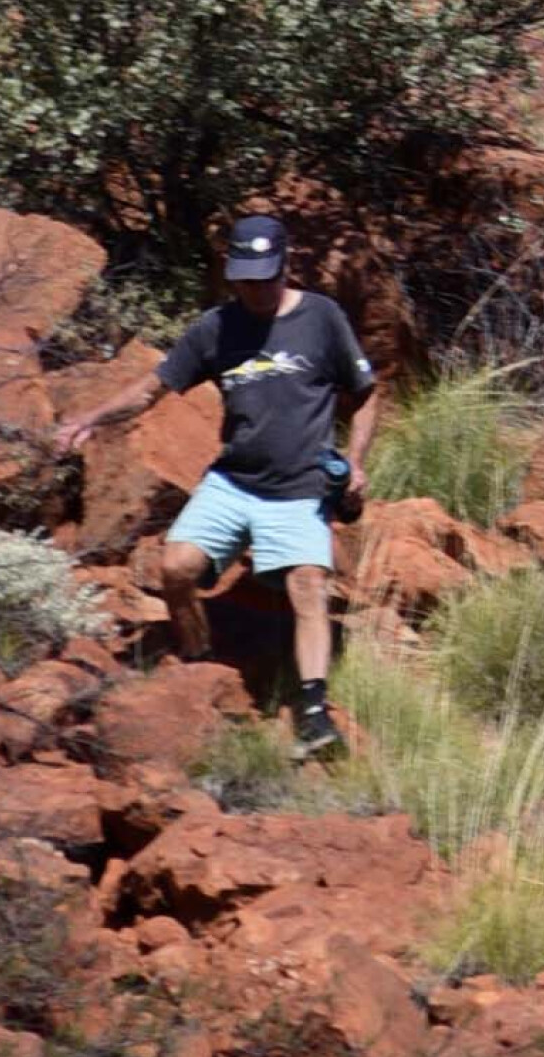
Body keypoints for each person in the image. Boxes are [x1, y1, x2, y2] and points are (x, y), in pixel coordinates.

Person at [149, 205, 377, 756]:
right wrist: (86, 421)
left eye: (266, 278)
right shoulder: (216, 329)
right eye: (246, 281)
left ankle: (315, 710)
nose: (256, 290)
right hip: (233, 480)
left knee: (307, 584)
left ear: (284, 267)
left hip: (300, 484)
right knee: (175, 567)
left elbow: (366, 394)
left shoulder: (321, 317)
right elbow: (152, 387)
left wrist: (357, 459)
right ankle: (200, 665)